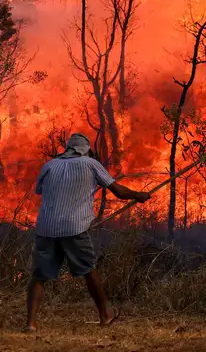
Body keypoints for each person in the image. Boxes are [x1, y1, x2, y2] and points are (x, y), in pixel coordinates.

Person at [26, 133, 150, 333]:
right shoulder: (90, 164)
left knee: (39, 275)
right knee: (89, 270)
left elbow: (39, 190)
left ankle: (31, 324)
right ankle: (106, 315)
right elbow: (119, 192)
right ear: (86, 150)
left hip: (46, 227)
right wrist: (139, 195)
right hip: (74, 227)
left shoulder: (49, 165)